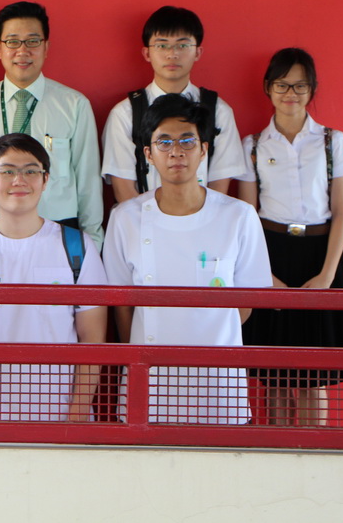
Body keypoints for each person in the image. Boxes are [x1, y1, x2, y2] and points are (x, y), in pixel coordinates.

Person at [103, 94, 271, 424]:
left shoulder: (239, 216)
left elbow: (248, 301)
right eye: (164, 142)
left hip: (219, 379)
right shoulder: (125, 218)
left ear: (204, 149)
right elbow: (121, 305)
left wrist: (210, 337)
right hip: (150, 377)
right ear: (148, 154)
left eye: (187, 141)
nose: (176, 151)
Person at [0, 134, 107, 421]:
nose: (19, 180)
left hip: (61, 418)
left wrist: (76, 419)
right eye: (7, 171)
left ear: (45, 179)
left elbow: (93, 339)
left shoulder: (77, 247)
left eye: (31, 171)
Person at [237, 48, 343, 426]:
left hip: (321, 253)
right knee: (274, 373)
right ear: (268, 88)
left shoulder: (332, 141)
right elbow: (248, 217)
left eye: (300, 85)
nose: (290, 93)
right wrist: (264, 277)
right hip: (271, 253)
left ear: (312, 89)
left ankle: (314, 450)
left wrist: (326, 276)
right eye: (282, 85)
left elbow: (342, 212)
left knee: (314, 372)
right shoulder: (253, 146)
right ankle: (277, 450)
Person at [0, 1, 103, 247]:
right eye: (12, 42)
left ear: (46, 47)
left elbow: (88, 181)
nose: (22, 50)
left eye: (32, 41)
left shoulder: (75, 106)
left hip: (58, 230)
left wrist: (92, 241)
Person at [100, 6, 245, 203]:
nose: (172, 54)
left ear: (198, 52)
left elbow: (219, 188)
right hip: (144, 219)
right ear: (146, 53)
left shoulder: (218, 112)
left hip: (203, 218)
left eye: (182, 45)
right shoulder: (125, 113)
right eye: (162, 45)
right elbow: (124, 189)